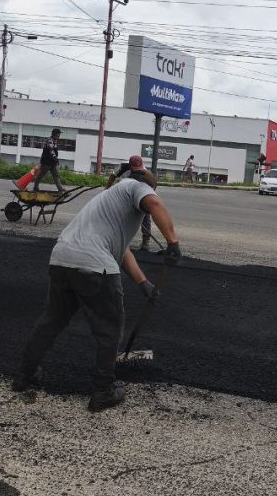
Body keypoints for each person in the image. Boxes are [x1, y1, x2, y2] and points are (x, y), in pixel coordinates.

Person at [12, 162, 182, 412]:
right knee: (110, 329)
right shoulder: (136, 186)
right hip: (93, 265)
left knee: (51, 321)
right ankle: (103, 390)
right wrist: (173, 243)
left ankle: (24, 376)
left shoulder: (109, 200)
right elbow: (155, 204)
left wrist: (143, 282)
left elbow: (120, 250)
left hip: (61, 259)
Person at [107, 156, 156, 251]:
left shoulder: (146, 174)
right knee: (120, 217)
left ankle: (146, 241)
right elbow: (112, 176)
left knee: (145, 217)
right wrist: (107, 189)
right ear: (130, 165)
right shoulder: (123, 166)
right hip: (123, 192)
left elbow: (153, 188)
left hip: (139, 194)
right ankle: (117, 241)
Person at [34, 128, 66, 194]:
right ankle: (35, 187)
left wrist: (56, 160)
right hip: (46, 162)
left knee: (55, 175)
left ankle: (60, 189)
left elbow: (54, 152)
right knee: (41, 174)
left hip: (52, 162)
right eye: (59, 134)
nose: (59, 135)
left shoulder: (55, 141)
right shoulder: (50, 140)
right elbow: (51, 151)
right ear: (55, 134)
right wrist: (56, 159)